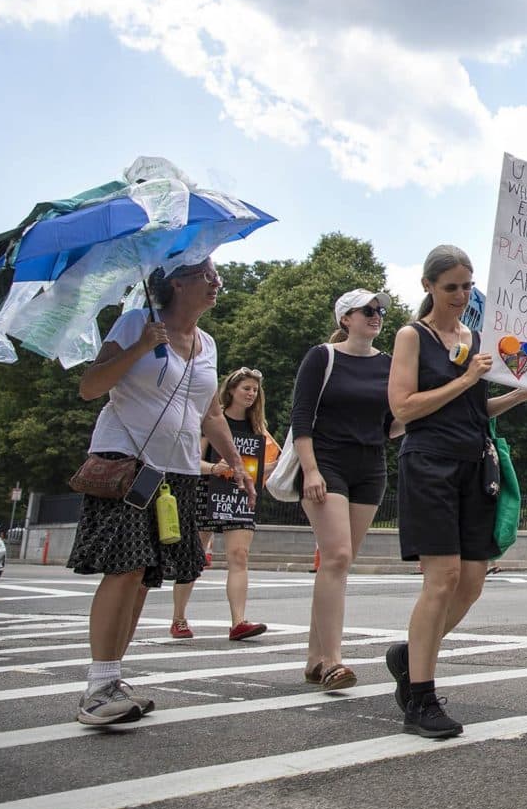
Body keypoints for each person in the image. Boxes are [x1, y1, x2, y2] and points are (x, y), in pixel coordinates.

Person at [68, 260, 255, 725]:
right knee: (124, 568)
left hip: (179, 473)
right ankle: (97, 687)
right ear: (177, 282)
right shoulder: (137, 322)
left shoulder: (207, 343)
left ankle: (111, 680)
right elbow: (91, 387)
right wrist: (140, 347)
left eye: (216, 276)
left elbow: (209, 414)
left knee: (145, 576)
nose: (216, 283)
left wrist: (235, 464)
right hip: (126, 464)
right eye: (207, 275)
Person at [386, 246, 527, 739]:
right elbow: (402, 408)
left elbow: (476, 410)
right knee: (441, 578)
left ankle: (408, 654)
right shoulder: (411, 336)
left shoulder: (475, 338)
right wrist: (465, 377)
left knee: (473, 580)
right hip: (429, 463)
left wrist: (524, 393)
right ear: (428, 287)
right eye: (451, 287)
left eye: (467, 285)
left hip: (473, 464)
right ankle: (420, 698)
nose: (461, 296)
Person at [294, 290, 400, 690]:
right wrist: (311, 470)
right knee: (336, 557)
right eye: (367, 311)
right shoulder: (323, 356)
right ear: (345, 319)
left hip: (371, 466)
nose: (377, 316)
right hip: (326, 463)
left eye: (380, 311)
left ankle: (313, 657)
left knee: (338, 565)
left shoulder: (389, 364)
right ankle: (334, 661)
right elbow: (301, 415)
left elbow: (395, 419)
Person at [169, 366, 272, 641]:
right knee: (194, 555)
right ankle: (178, 618)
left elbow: (265, 466)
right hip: (206, 491)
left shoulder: (258, 429)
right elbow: (191, 460)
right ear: (231, 391)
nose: (251, 394)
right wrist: (215, 468)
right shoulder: (212, 421)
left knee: (239, 556)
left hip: (239, 495)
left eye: (255, 389)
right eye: (246, 388)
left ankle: (239, 622)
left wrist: (272, 468)